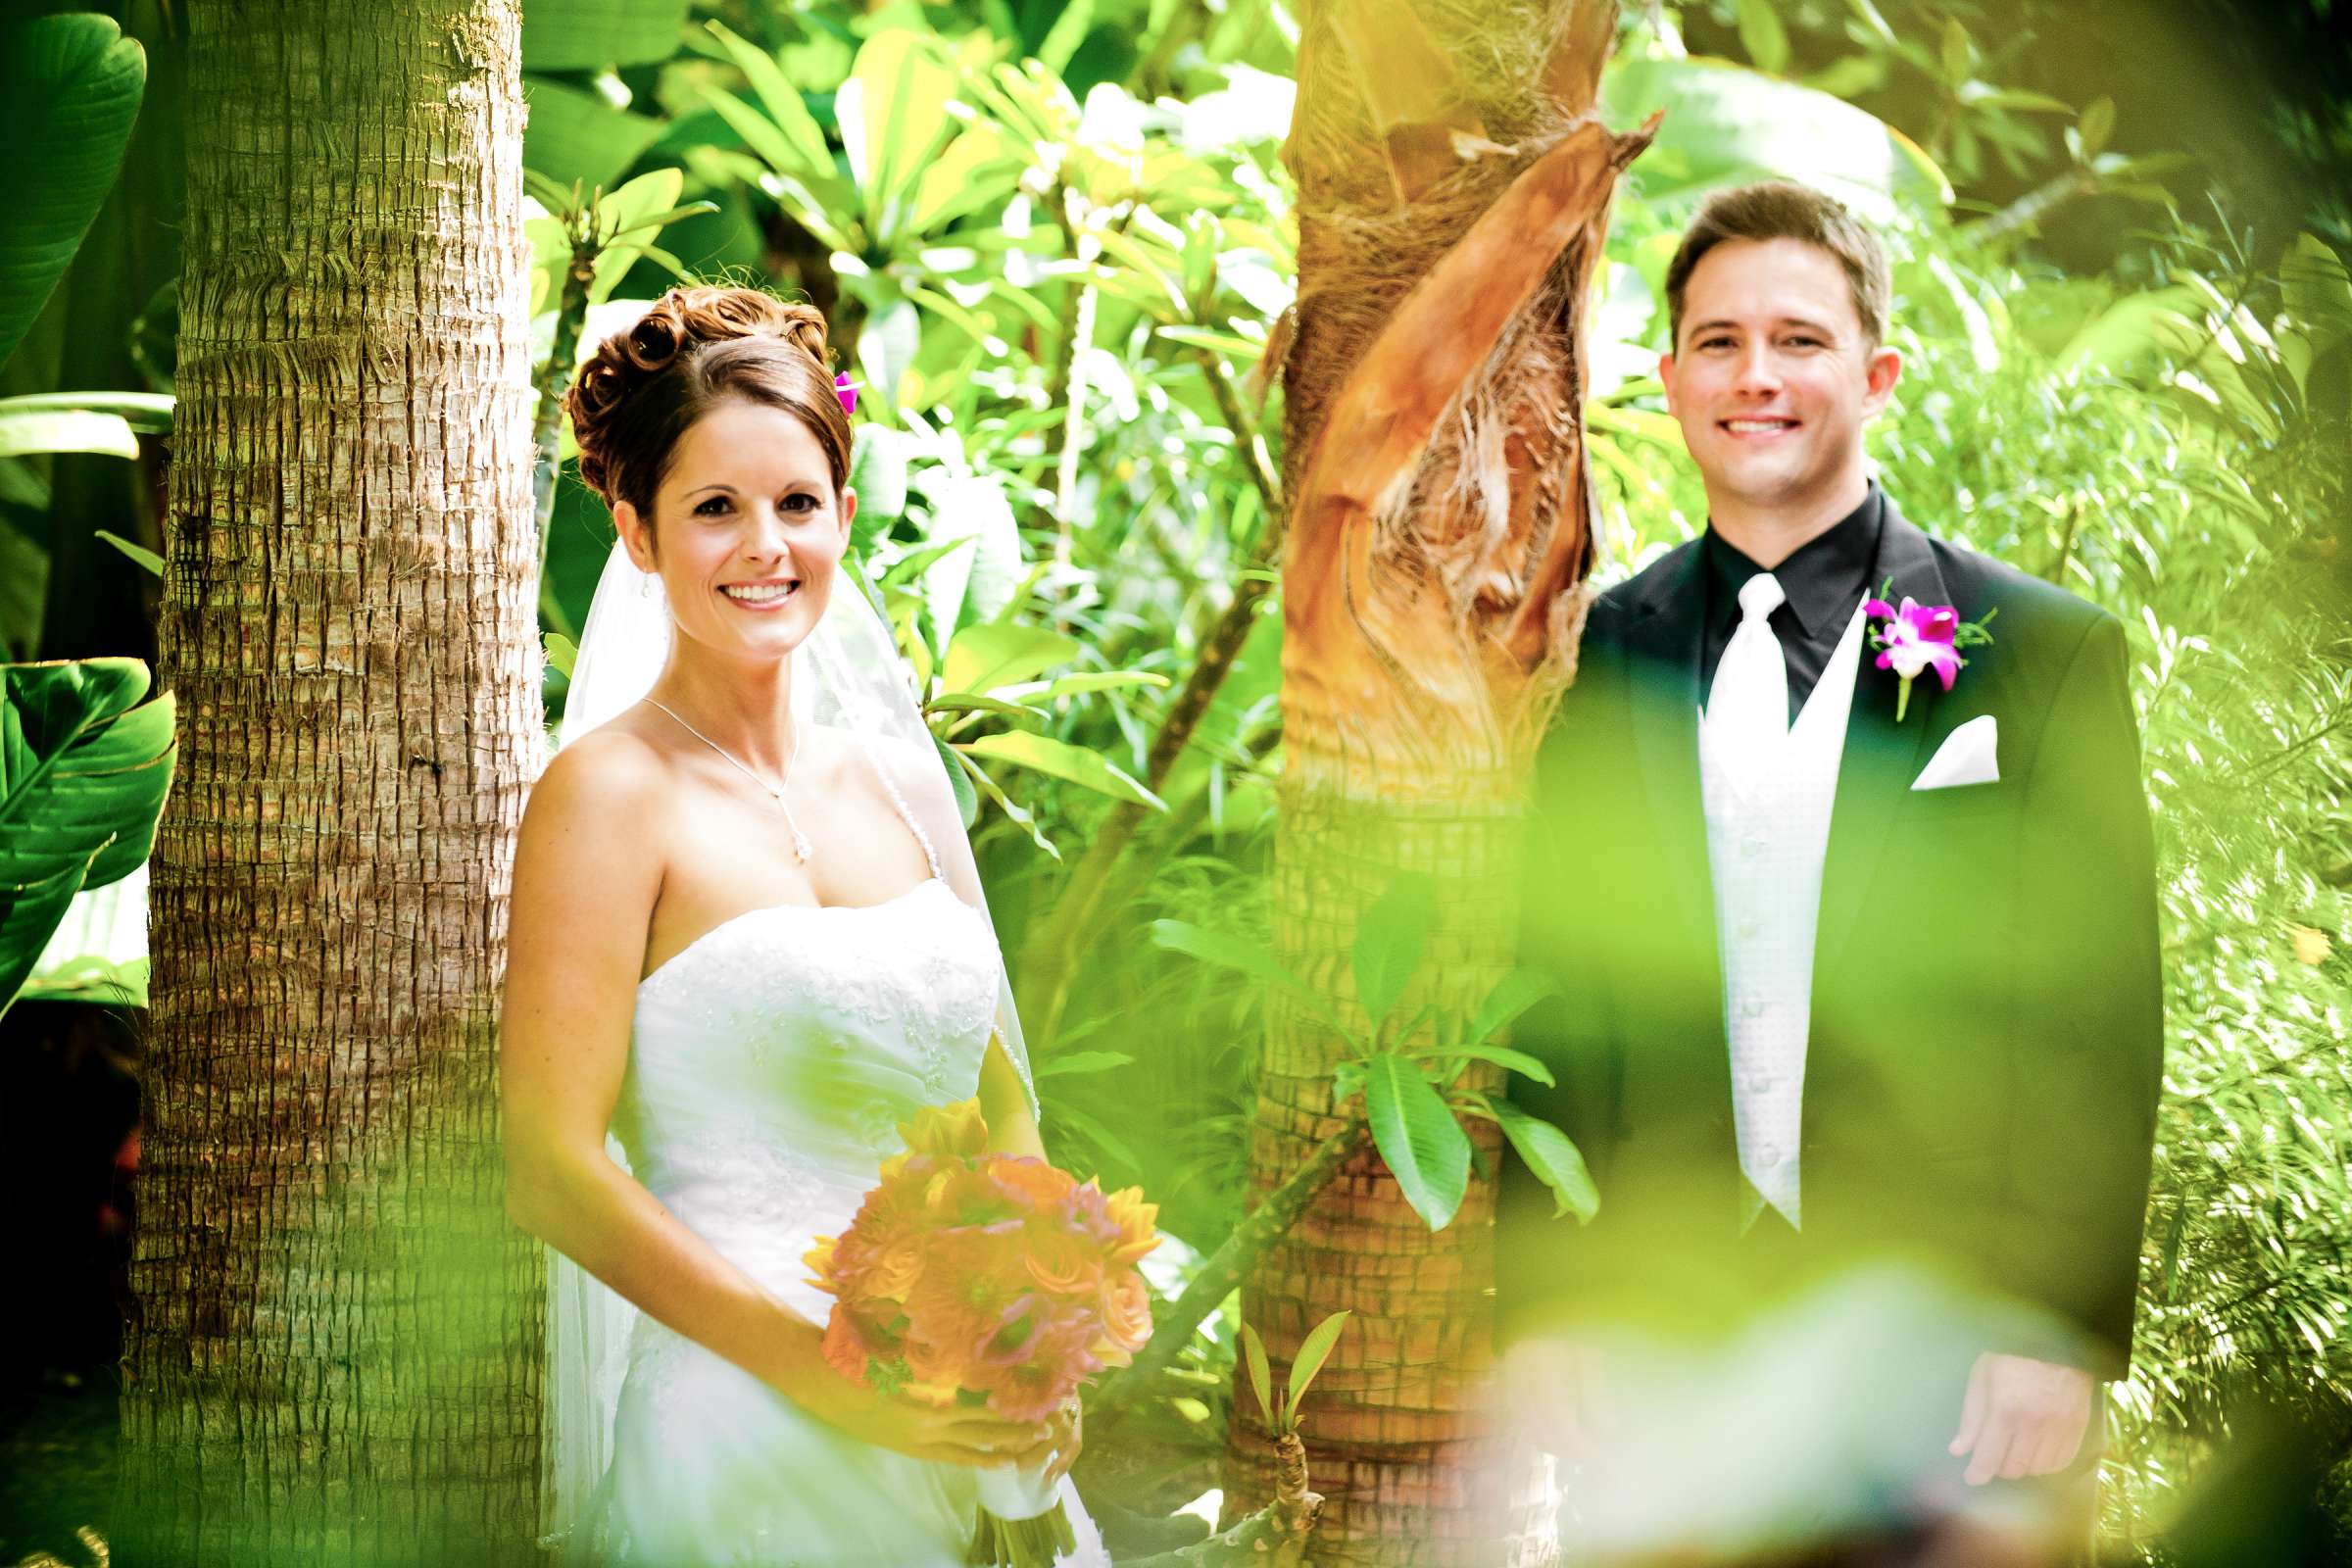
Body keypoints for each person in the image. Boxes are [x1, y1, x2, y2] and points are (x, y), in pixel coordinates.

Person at [1496, 182, 2163, 1564]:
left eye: (1799, 339)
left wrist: (2056, 1327)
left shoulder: (2034, 655)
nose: (1757, 376)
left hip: (1948, 1352)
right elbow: (1554, 1001)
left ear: (1877, 374)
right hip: (1660, 1354)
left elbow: (2100, 1019)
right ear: (1671, 377)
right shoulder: (1601, 653)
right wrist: (1550, 1306)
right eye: (1720, 340)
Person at [499, 285, 1106, 1566]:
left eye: (797, 503)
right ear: (639, 532)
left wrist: (1029, 1356)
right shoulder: (608, 796)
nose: (764, 545)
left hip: (963, 1417)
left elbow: (1003, 1107)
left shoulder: (901, 779)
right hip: (741, 1425)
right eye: (714, 507)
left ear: (839, 513)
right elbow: (553, 1169)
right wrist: (822, 1374)